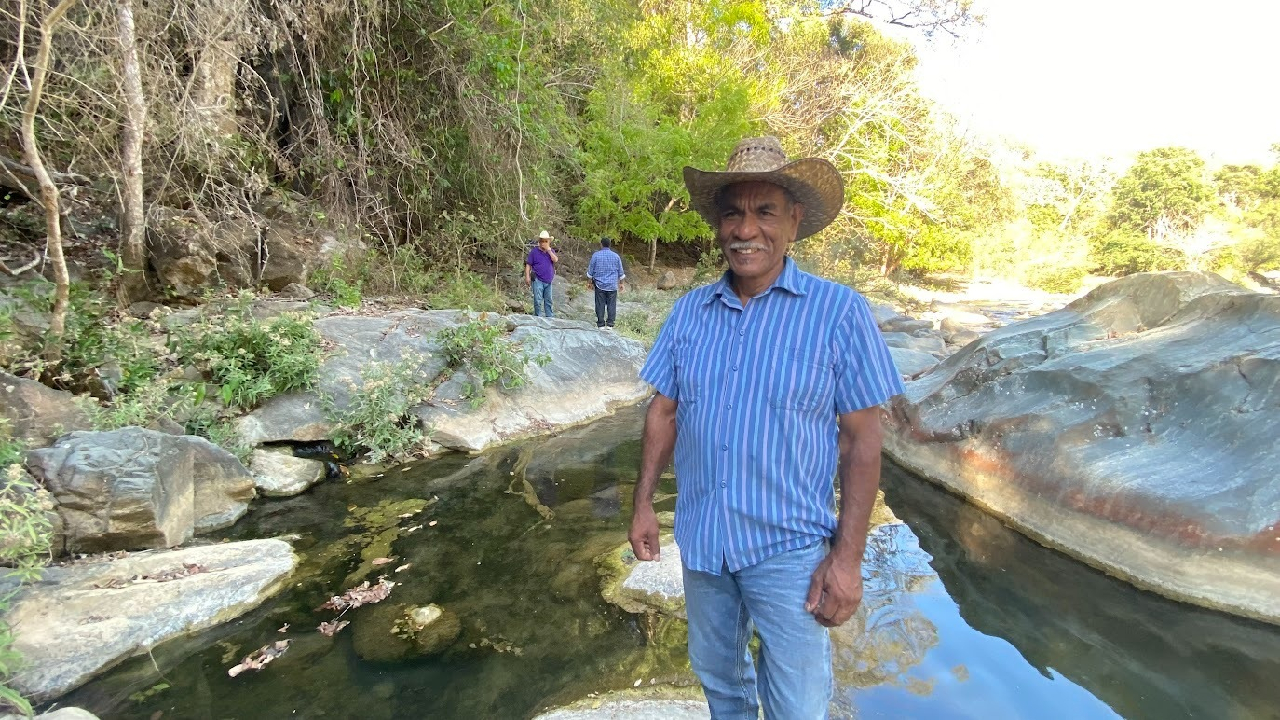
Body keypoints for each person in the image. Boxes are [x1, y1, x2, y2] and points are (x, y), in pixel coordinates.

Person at [629, 136, 903, 719]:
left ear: (795, 222)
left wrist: (847, 561)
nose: (745, 229)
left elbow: (862, 440)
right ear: (718, 224)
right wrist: (644, 504)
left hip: (790, 552)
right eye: (733, 212)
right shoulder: (689, 313)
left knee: (798, 705)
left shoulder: (839, 312)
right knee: (720, 681)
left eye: (764, 211)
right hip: (704, 540)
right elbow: (664, 410)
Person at [586, 237, 626, 328]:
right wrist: (621, 283)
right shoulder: (616, 256)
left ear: (601, 244)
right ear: (610, 245)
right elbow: (621, 272)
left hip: (599, 285)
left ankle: (600, 324)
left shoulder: (596, 255)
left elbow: (591, 271)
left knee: (600, 304)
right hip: (612, 285)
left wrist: (589, 282)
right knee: (612, 305)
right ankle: (610, 324)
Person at [525, 230, 558, 317]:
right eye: (542, 241)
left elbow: (555, 260)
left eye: (546, 241)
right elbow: (528, 265)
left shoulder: (551, 251)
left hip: (548, 280)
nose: (544, 243)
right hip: (537, 279)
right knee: (537, 299)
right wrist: (527, 277)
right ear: (539, 242)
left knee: (548, 300)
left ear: (549, 242)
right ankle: (537, 316)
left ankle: (549, 317)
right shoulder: (534, 252)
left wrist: (549, 251)